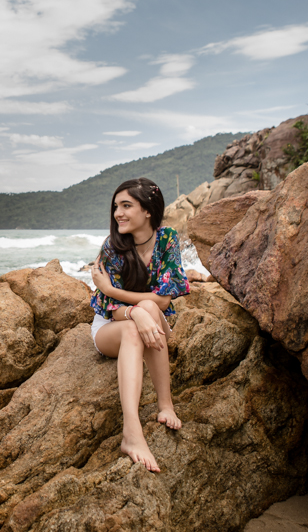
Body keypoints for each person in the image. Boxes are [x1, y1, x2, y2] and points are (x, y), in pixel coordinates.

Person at [90, 177, 190, 473]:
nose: (118, 213)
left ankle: (165, 404)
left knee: (147, 307)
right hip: (111, 329)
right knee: (140, 315)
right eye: (116, 206)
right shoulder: (112, 247)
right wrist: (135, 312)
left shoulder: (168, 238)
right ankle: (131, 432)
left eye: (126, 206)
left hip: (152, 322)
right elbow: (106, 309)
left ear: (147, 210)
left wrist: (114, 292)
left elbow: (162, 300)